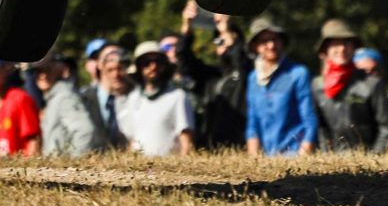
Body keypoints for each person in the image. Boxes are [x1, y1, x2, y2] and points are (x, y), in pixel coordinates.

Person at [311, 19, 388, 153]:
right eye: (335, 44)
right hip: (331, 161)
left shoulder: (372, 84)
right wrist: (327, 155)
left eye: (346, 43)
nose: (342, 49)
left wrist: (374, 158)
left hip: (369, 159)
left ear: (354, 48)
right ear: (325, 50)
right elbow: (319, 128)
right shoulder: (317, 86)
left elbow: (387, 128)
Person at [243, 16, 318, 156]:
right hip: (266, 158)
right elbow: (253, 123)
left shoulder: (298, 73)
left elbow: (309, 119)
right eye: (264, 41)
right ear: (255, 46)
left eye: (275, 39)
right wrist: (254, 159)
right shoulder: (253, 78)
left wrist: (303, 157)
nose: (271, 45)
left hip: (294, 154)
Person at [124, 42, 196, 156]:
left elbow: (186, 141)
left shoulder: (178, 96)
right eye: (147, 62)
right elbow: (133, 139)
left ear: (164, 65)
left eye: (158, 61)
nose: (153, 66)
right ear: (139, 67)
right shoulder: (133, 98)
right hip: (139, 165)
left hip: (168, 165)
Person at [32, 52, 103, 156]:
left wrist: (73, 163)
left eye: (48, 69)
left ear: (62, 69)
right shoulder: (55, 98)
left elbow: (85, 131)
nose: (43, 75)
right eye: (38, 71)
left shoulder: (65, 97)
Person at [199, 14, 252, 149]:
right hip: (212, 145)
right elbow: (185, 62)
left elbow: (241, 60)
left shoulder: (247, 72)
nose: (223, 45)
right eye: (219, 41)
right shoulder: (213, 75)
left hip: (239, 143)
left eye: (227, 40)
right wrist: (187, 24)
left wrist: (226, 31)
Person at [0, 55, 41, 156]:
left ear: (4, 70)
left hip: (23, 163)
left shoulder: (19, 98)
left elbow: (33, 139)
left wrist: (30, 164)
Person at [81, 44, 134, 151]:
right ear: (99, 64)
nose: (114, 61)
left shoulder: (136, 98)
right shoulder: (83, 99)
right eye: (109, 58)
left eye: (119, 57)